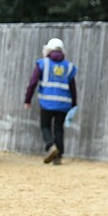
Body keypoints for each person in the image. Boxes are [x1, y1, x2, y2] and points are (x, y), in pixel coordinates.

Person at [23, 37, 78, 165]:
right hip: (64, 103)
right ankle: (58, 156)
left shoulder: (43, 63)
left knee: (45, 125)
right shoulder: (69, 66)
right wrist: (74, 104)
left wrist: (27, 99)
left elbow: (33, 82)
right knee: (59, 128)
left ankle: (51, 145)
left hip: (47, 102)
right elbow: (73, 87)